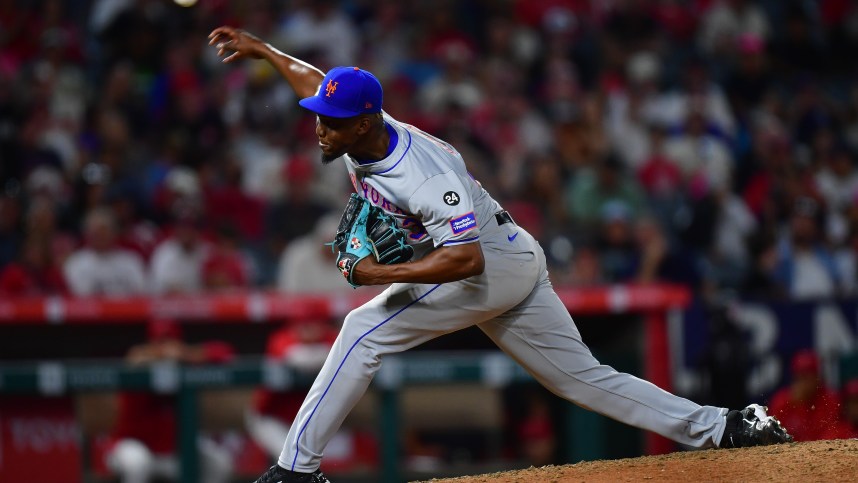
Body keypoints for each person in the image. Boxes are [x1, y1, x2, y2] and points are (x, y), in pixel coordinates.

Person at [207, 27, 793, 483]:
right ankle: (725, 426)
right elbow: (311, 79)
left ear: (364, 123)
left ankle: (294, 471)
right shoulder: (360, 120)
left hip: (486, 264)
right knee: (584, 379)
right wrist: (261, 50)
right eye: (321, 120)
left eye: (333, 124)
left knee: (364, 327)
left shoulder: (422, 175)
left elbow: (466, 263)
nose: (320, 130)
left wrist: (380, 273)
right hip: (510, 255)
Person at [104, 318, 235, 483]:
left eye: (170, 342)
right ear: (151, 343)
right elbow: (132, 360)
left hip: (174, 452)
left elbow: (226, 353)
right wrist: (154, 356)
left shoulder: (185, 365)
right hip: (133, 446)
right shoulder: (139, 364)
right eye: (160, 342)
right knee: (138, 463)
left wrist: (186, 354)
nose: (166, 349)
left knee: (219, 463)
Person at [767, 349, 842, 442]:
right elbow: (772, 434)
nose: (804, 382)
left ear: (817, 377)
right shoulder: (782, 400)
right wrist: (795, 405)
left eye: (808, 376)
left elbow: (833, 435)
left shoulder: (830, 399)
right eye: (800, 376)